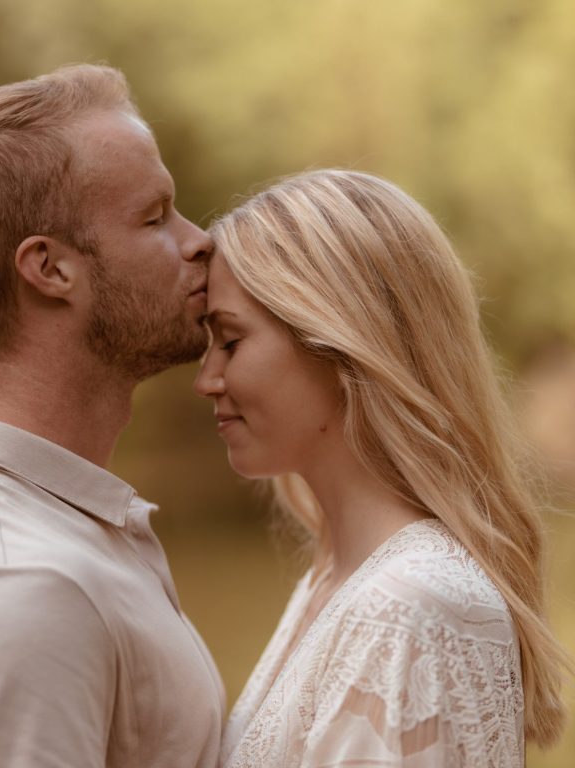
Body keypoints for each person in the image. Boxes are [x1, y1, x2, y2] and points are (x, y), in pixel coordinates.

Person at [0, 64, 224, 768]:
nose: (199, 240)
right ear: (50, 269)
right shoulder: (13, 589)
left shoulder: (48, 540)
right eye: (154, 218)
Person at [195, 169, 570, 767]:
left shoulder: (410, 605)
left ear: (341, 341)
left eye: (231, 341)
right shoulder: (337, 579)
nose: (206, 380)